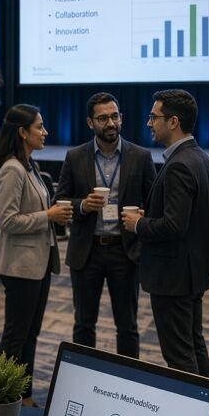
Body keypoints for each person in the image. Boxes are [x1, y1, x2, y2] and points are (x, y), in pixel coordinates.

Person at [56, 92, 156, 359]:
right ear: (91, 123)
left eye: (114, 116)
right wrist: (82, 205)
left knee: (127, 327)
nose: (110, 123)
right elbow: (60, 200)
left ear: (121, 118)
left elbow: (154, 202)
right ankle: (81, 379)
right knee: (84, 325)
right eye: (103, 118)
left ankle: (126, 382)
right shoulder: (75, 156)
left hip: (126, 251)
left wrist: (145, 215)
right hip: (87, 252)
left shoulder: (141, 156)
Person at [125, 89, 209, 377]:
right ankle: (205, 415)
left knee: (178, 354)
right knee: (193, 344)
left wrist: (138, 224)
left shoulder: (179, 165)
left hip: (172, 277)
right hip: (192, 271)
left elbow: (175, 225)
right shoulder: (201, 159)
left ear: (173, 121)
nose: (149, 123)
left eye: (154, 117)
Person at [0, 104, 72, 404]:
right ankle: (3, 398)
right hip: (19, 266)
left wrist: (55, 216)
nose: (45, 132)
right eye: (39, 126)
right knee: (16, 336)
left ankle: (23, 395)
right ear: (22, 132)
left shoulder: (30, 165)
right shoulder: (12, 169)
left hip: (36, 264)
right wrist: (48, 215)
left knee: (29, 334)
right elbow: (8, 221)